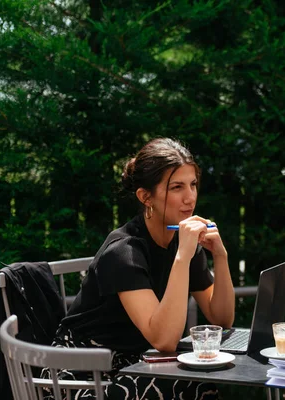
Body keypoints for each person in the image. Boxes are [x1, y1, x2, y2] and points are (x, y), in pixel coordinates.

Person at [42, 138, 235, 399]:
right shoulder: (124, 251)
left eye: (193, 185)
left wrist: (220, 257)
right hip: (82, 371)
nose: (190, 197)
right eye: (176, 187)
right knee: (183, 386)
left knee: (198, 382)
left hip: (135, 361)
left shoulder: (184, 241)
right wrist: (182, 258)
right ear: (146, 197)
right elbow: (164, 340)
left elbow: (221, 319)